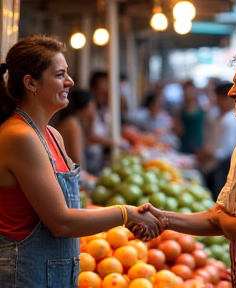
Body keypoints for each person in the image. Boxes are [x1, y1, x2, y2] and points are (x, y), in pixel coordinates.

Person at [0, 35, 162, 288]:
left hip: (56, 274)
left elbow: (69, 208)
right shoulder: (19, 136)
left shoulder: (52, 135)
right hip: (25, 277)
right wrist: (124, 214)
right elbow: (61, 222)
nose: (70, 81)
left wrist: (135, 215)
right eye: (59, 75)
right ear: (31, 83)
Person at [140, 50, 236, 288]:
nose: (231, 92)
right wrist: (163, 218)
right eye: (233, 85)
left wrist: (221, 218)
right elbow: (214, 219)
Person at [197, 80, 236, 200]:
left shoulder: (231, 119)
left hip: (224, 167)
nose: (214, 100)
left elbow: (224, 150)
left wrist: (208, 159)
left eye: (216, 96)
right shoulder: (219, 116)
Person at [54, 88, 95, 170]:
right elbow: (77, 159)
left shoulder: (69, 121)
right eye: (93, 106)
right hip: (69, 173)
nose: (93, 110)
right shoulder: (73, 124)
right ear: (85, 106)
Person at [173, 80, 206, 154]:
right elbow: (179, 131)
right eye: (186, 90)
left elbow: (207, 127)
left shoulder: (203, 107)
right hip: (184, 144)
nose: (189, 92)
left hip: (199, 144)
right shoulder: (179, 109)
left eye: (191, 90)